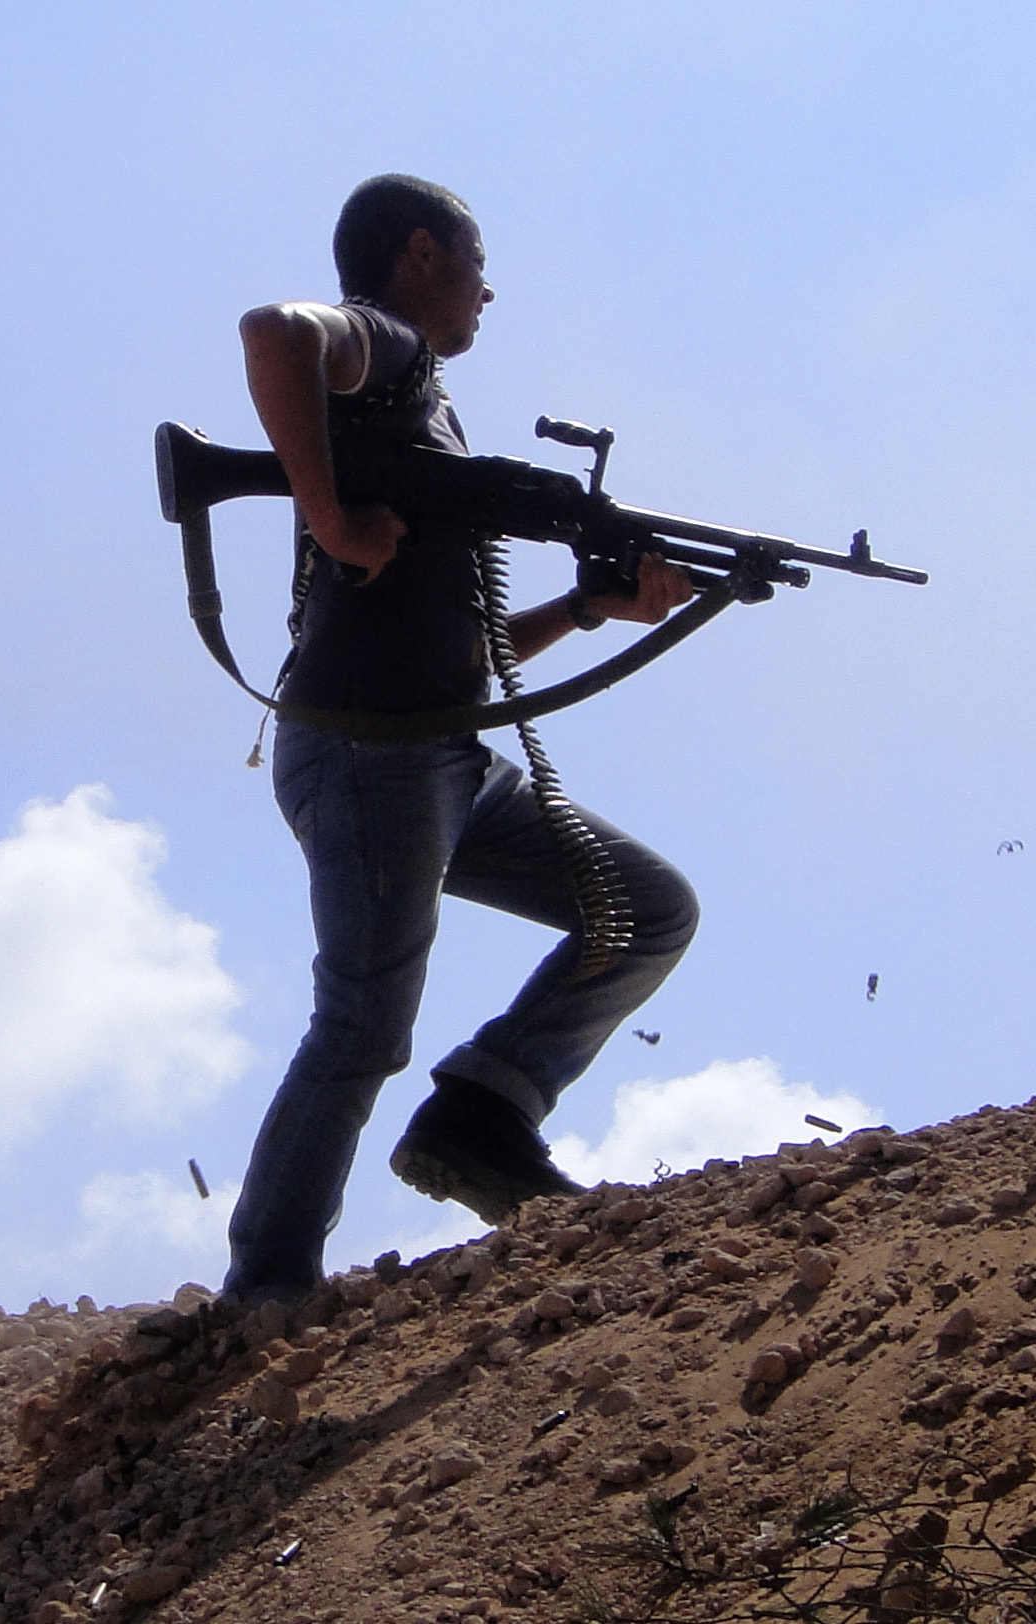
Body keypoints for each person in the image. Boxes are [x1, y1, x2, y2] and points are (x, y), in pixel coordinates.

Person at [221, 175, 701, 1305]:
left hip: (440, 751)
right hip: (370, 755)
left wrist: (591, 610)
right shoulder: (381, 345)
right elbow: (273, 331)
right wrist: (331, 516)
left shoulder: (418, 404)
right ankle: (268, 1286)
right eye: (477, 262)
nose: (490, 288)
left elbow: (462, 645)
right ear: (422, 254)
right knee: (362, 1025)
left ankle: (481, 1115)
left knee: (643, 908)